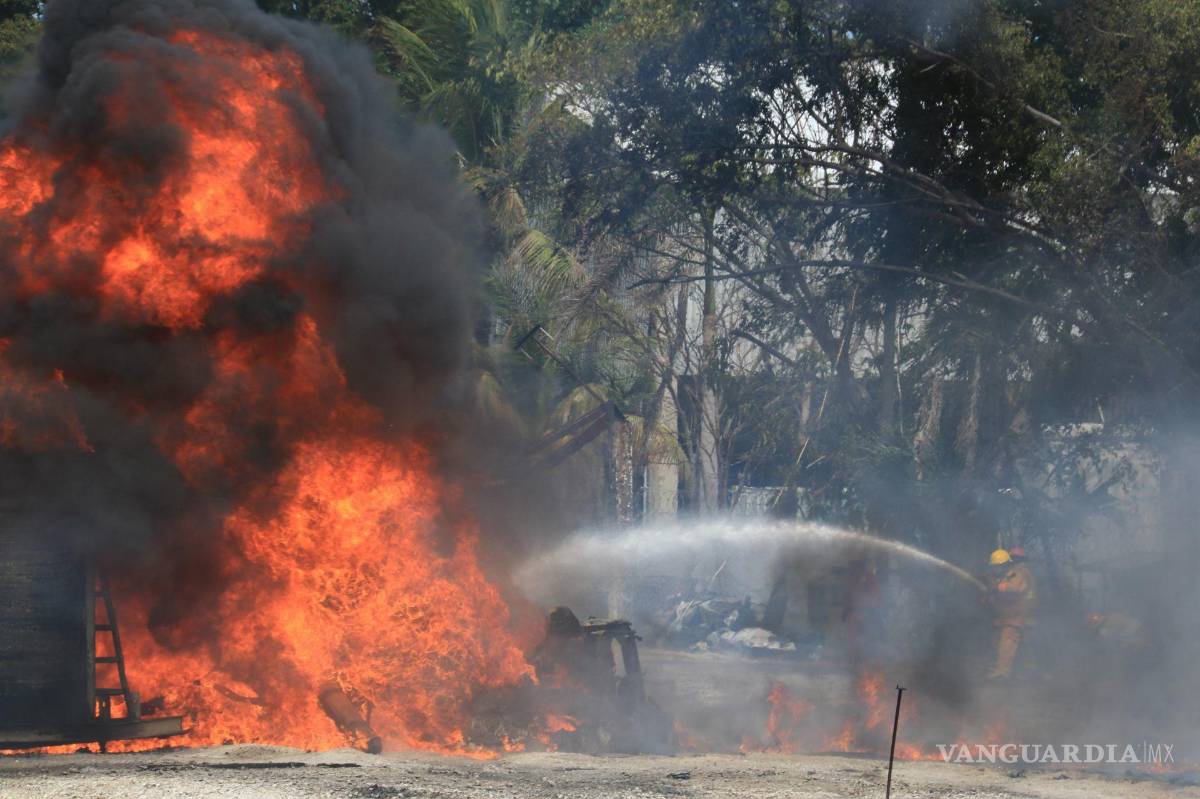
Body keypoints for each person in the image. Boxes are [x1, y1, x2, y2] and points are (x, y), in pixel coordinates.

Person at [986, 548, 1036, 680]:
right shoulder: (1008, 574)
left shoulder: (1019, 573)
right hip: (1007, 617)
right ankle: (1008, 669)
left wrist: (997, 588)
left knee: (1007, 643)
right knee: (1004, 644)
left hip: (1015, 617)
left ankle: (1002, 672)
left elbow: (1013, 589)